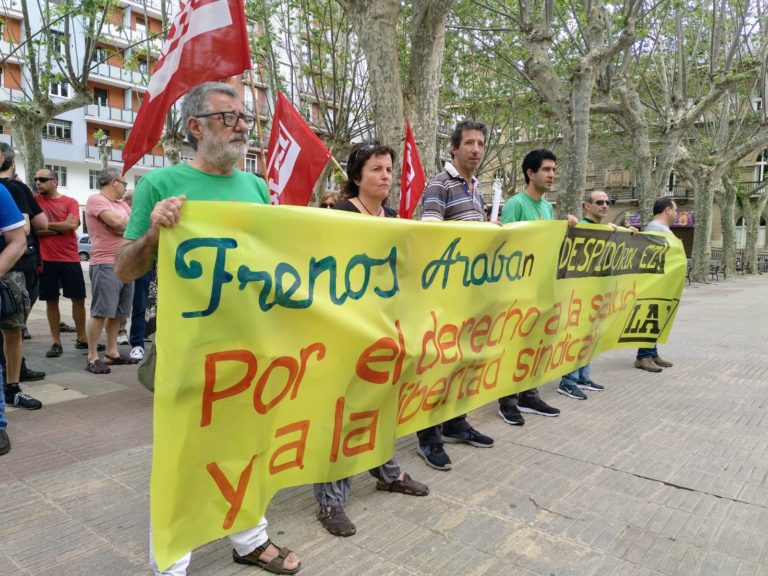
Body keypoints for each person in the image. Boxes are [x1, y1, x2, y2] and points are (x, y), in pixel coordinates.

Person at [114, 82, 300, 576]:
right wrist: (154, 232)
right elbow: (123, 270)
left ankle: (250, 539)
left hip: (251, 346)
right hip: (189, 351)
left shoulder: (256, 187)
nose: (242, 127)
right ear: (195, 127)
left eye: (245, 118)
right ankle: (172, 560)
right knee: (182, 455)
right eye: (229, 118)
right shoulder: (160, 185)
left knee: (249, 445)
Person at [313, 142, 429, 537]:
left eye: (389, 169)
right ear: (357, 176)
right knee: (341, 413)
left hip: (383, 332)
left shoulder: (394, 219)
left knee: (381, 406)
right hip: (344, 333)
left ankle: (387, 472)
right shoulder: (338, 215)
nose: (385, 176)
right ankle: (330, 500)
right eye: (377, 169)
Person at [416, 120, 495, 471]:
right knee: (437, 365)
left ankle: (455, 422)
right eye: (469, 143)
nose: (476, 149)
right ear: (454, 148)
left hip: (469, 295)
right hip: (443, 296)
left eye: (480, 143)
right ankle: (427, 436)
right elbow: (430, 235)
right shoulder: (439, 184)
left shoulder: (476, 189)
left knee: (464, 361)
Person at [498, 149, 578, 425]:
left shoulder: (547, 207)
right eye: (546, 169)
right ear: (530, 173)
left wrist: (565, 229)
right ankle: (507, 400)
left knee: (535, 343)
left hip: (540, 289)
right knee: (512, 345)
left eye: (554, 170)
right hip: (516, 291)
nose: (552, 175)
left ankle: (529, 394)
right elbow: (506, 246)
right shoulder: (515, 204)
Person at [556, 190, 618, 400]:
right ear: (586, 206)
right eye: (600, 202)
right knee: (575, 336)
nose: (605, 205)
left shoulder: (606, 229)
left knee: (590, 336)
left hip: (596, 294)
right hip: (577, 294)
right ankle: (568, 380)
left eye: (608, 202)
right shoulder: (578, 228)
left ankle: (583, 376)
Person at [0, 145, 47, 410]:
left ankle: (12, 387)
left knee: (12, 329)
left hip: (11, 272)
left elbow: (23, 232)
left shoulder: (8, 191)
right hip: (17, 270)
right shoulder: (14, 188)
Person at [34, 168, 95, 358]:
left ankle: (82, 338)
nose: (38, 182)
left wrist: (46, 225)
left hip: (69, 258)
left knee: (78, 299)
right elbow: (34, 230)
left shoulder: (70, 202)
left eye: (43, 179)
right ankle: (55, 342)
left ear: (54, 181)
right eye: (36, 179)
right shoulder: (35, 201)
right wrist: (61, 227)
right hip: (46, 259)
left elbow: (71, 225)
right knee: (51, 301)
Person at [84, 168, 138, 374]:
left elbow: (132, 226)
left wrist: (121, 227)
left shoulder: (121, 204)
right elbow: (117, 223)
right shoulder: (95, 200)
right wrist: (121, 226)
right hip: (105, 262)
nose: (125, 189)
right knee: (101, 311)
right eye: (124, 184)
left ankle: (112, 352)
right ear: (114, 182)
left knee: (119, 312)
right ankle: (92, 357)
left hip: (126, 262)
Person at [0, 176, 32, 455]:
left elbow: (19, 238)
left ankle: (0, 422)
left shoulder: (2, 191)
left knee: (12, 331)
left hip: (6, 278)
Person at [634, 197, 677, 373]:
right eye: (675, 210)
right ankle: (643, 356)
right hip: (654, 282)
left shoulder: (662, 229)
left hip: (661, 282)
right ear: (667, 210)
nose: (676, 213)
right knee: (649, 319)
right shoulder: (655, 228)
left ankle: (652, 353)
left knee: (655, 319)